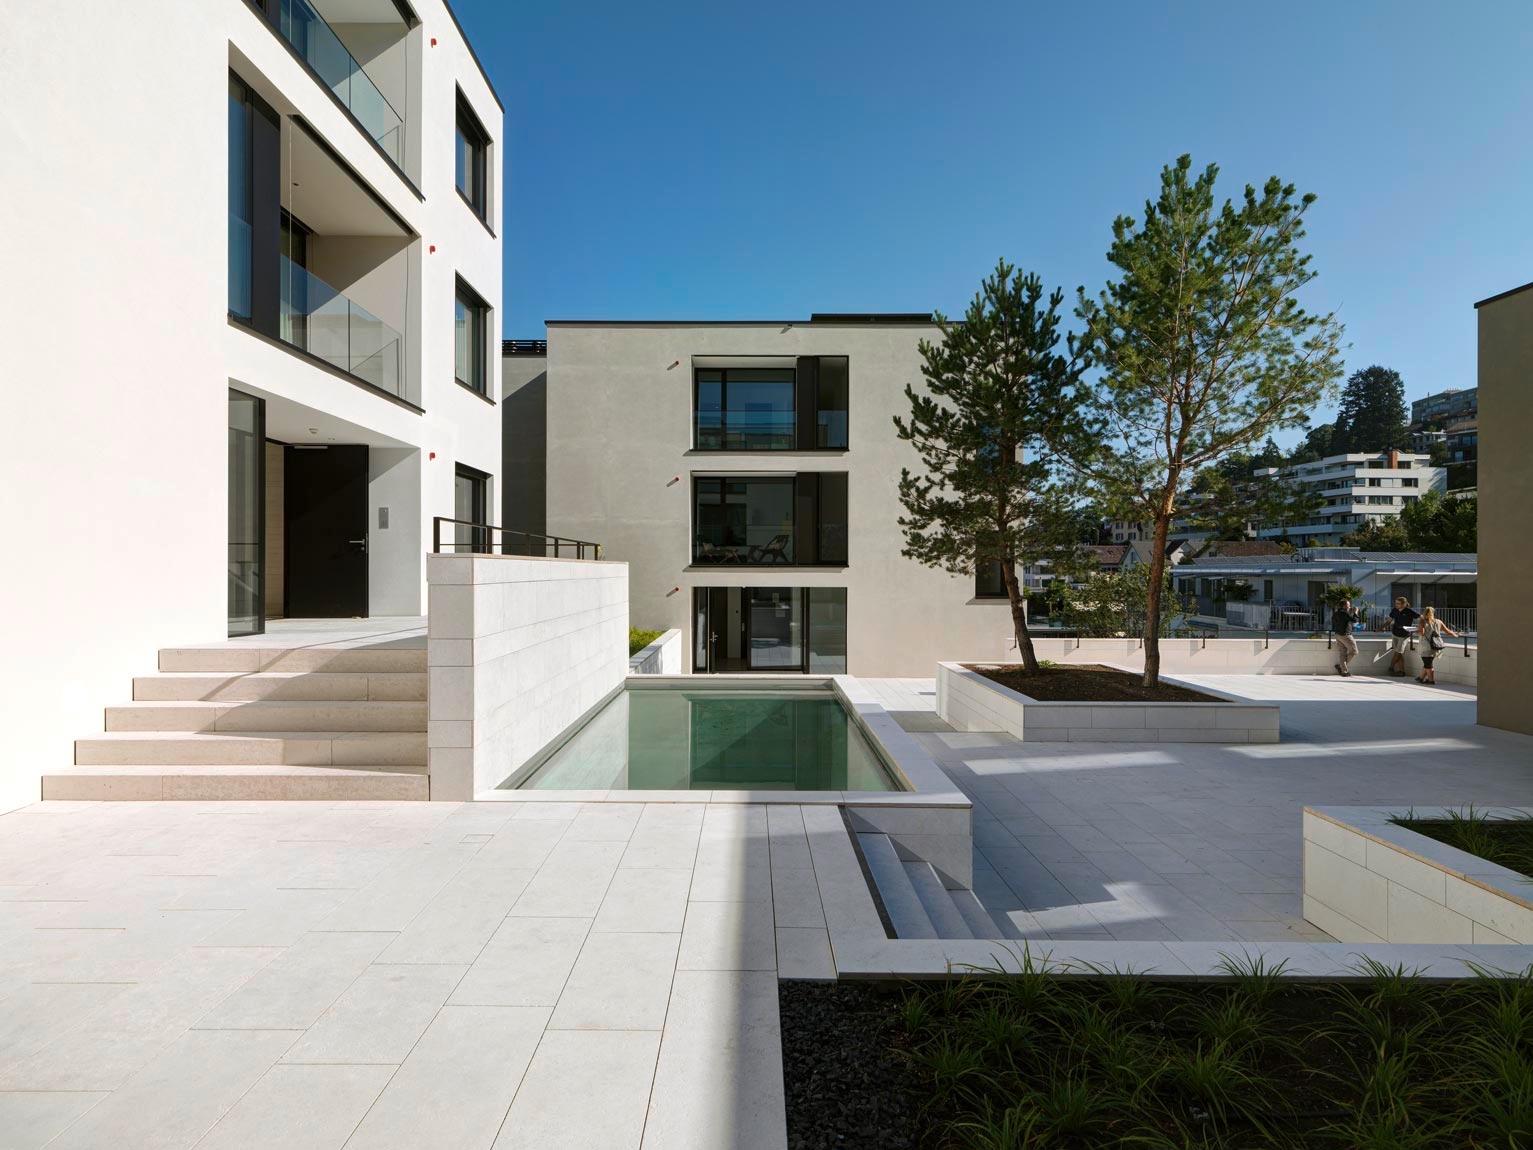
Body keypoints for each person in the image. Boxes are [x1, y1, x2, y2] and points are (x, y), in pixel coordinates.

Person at [1414, 606, 1460, 685]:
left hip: (1426, 646)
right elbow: (1447, 631)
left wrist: (1414, 631)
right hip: (1436, 645)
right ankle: (1421, 678)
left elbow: (1421, 633)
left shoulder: (1422, 621)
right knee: (1428, 662)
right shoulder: (1438, 621)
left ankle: (1430, 680)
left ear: (1424, 612)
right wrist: (1456, 635)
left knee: (1428, 664)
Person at [1387, 597, 1419, 676]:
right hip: (1395, 633)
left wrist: (1419, 628)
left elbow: (1420, 618)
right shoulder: (1394, 610)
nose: (1396, 605)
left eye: (1398, 603)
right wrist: (1379, 628)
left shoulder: (1409, 611)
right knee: (1399, 653)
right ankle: (1402, 671)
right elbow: (1389, 620)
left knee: (1398, 652)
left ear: (1404, 604)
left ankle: (1391, 667)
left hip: (1404, 635)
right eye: (1396, 603)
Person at [1331, 597, 1360, 676]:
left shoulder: (1336, 613)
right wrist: (1356, 613)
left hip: (1338, 635)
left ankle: (1344, 671)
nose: (1349, 607)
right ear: (1344, 606)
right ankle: (1342, 667)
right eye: (1348, 605)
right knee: (1354, 652)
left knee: (1342, 653)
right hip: (1345, 635)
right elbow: (1354, 620)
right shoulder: (1344, 613)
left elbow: (1333, 620)